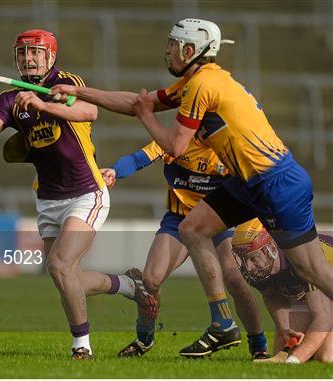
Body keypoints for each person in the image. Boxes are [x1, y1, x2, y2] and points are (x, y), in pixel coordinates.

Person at [49, 18, 333, 357]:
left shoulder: (202, 85)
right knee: (193, 228)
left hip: (276, 182)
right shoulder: (196, 81)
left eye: (172, 44)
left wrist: (146, 116)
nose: (167, 50)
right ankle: (222, 323)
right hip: (247, 183)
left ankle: (238, 331)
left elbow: (175, 145)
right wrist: (78, 91)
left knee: (310, 269)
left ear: (189, 50)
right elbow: (136, 102)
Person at [0, 29, 156, 360]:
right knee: (65, 275)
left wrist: (43, 103)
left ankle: (82, 348)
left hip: (87, 193)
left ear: (50, 57)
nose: (28, 59)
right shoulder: (8, 100)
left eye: (35, 52)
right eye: (22, 54)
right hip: (49, 199)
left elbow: (88, 112)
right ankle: (131, 286)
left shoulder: (63, 84)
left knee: (61, 266)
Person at [101, 138, 268, 359]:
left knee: (234, 279)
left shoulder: (229, 144)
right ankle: (145, 339)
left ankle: (258, 345)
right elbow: (138, 159)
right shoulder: (176, 140)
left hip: (220, 218)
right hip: (179, 218)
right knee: (151, 280)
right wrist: (115, 171)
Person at [232, 219, 333, 364]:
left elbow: (323, 318)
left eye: (253, 257)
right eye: (244, 259)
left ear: (271, 249)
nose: (249, 266)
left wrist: (294, 360)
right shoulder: (259, 270)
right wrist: (283, 327)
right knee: (286, 345)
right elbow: (271, 295)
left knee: (325, 356)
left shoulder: (302, 259)